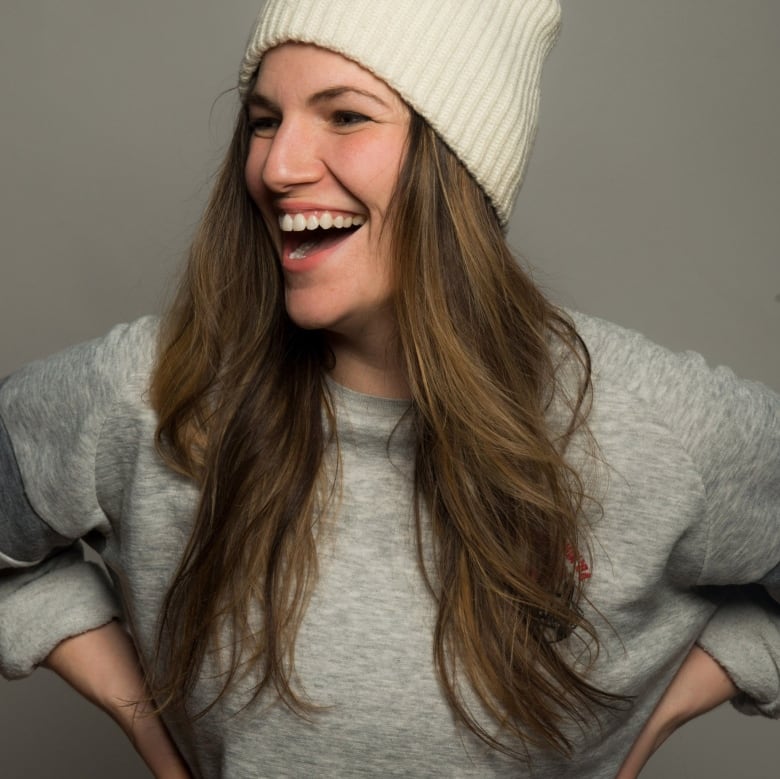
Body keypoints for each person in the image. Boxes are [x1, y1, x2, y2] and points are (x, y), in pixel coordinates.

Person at [0, 1, 778, 777]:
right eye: (265, 120)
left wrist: (674, 700)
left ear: (458, 164)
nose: (276, 166)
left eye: (344, 115)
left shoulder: (647, 425)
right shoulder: (155, 392)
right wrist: (148, 727)